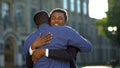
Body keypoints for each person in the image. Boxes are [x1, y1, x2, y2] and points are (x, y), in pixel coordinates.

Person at [25, 8, 92, 68]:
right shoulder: (37, 37)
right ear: (49, 21)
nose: (56, 21)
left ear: (66, 22)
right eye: (53, 18)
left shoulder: (69, 34)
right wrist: (33, 47)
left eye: (60, 18)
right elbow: (29, 63)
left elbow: (69, 55)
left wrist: (44, 51)